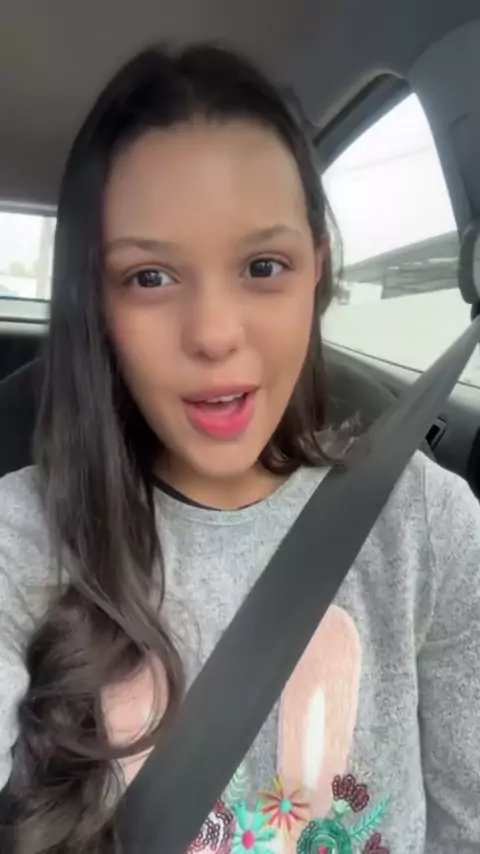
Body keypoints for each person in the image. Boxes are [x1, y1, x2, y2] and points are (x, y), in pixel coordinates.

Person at [0, 44, 479, 854]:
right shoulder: (22, 537)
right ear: (99, 304)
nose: (215, 334)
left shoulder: (428, 529)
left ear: (317, 272)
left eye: (263, 265)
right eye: (150, 277)